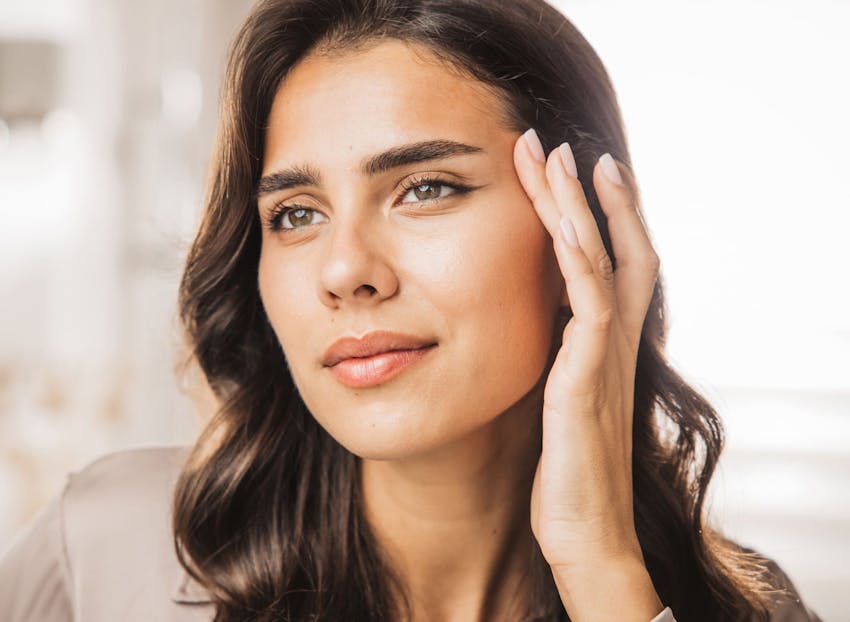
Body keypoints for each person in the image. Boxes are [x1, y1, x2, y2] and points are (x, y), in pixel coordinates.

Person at [0, 0, 825, 621]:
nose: (345, 270)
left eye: (425, 189)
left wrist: (600, 563)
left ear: (586, 228)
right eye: (296, 213)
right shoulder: (108, 555)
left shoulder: (738, 609)